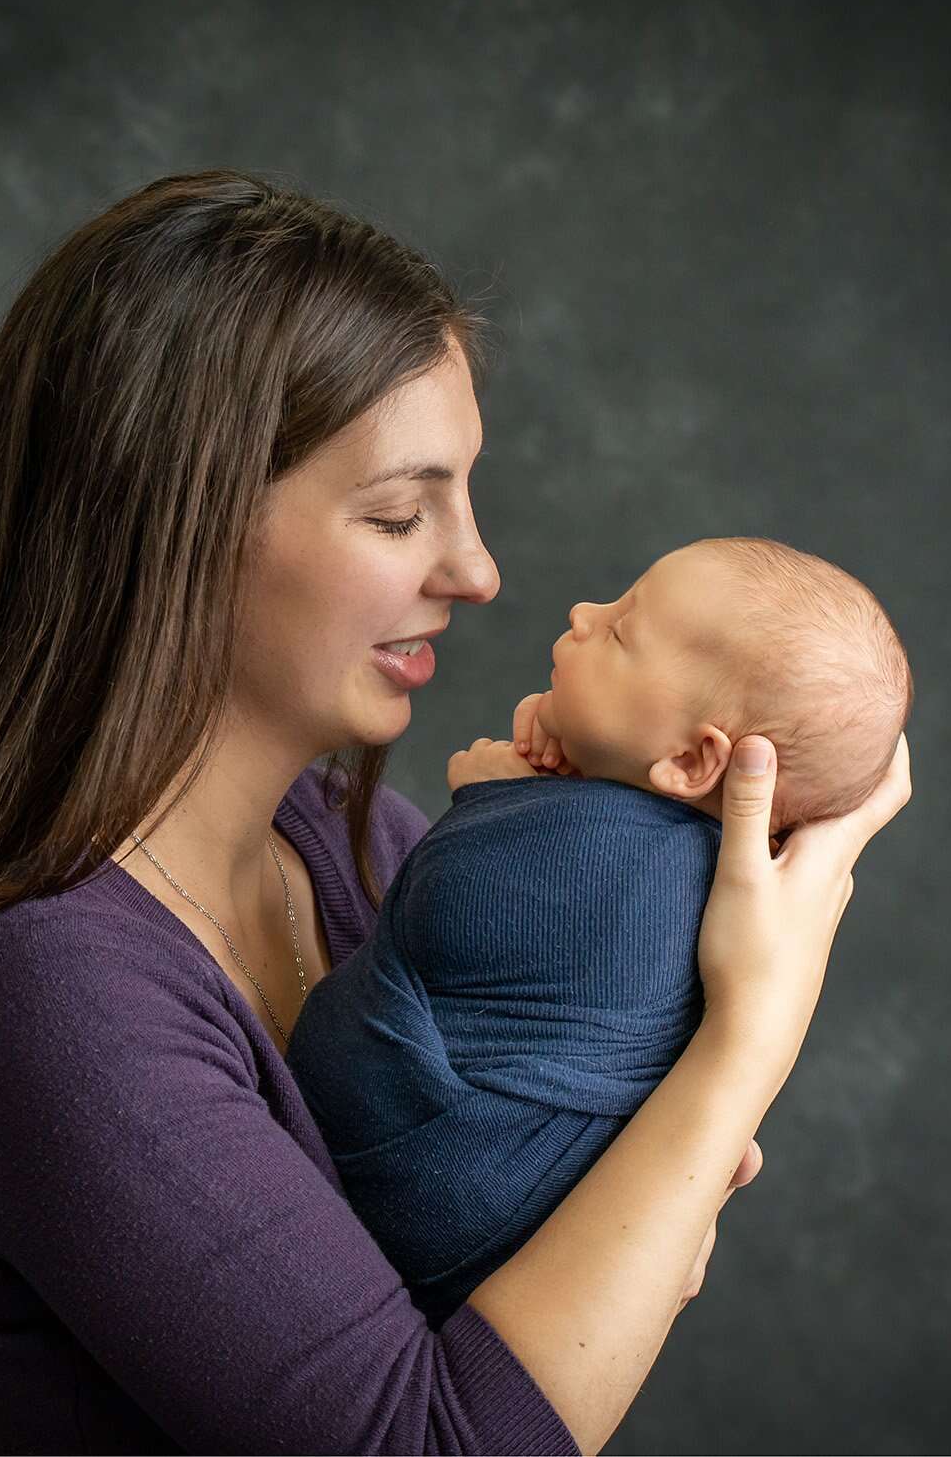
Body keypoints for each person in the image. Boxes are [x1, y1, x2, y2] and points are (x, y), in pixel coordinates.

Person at [0, 167, 912, 1455]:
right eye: (399, 512)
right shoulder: (39, 994)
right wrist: (741, 1051)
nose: (479, 569)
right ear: (173, 524)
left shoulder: (381, 853)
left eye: (459, 498)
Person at [285, 536, 913, 1322]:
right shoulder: (708, 875)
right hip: (529, 1249)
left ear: (690, 761)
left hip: (433, 1191)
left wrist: (492, 799)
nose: (583, 614)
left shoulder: (615, 864)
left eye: (620, 630)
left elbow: (442, 903)